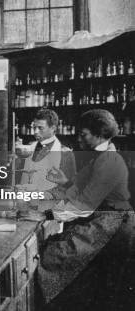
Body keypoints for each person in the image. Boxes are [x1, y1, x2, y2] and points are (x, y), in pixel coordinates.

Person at [23, 109, 134, 309]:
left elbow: (83, 206)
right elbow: (80, 186)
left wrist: (44, 213)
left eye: (84, 135)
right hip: (103, 221)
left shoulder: (109, 161)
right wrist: (64, 182)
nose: (79, 139)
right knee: (52, 248)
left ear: (99, 134)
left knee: (52, 255)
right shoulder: (101, 156)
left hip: (114, 225)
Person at [19, 109, 76, 194]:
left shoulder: (65, 153)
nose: (35, 132)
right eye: (34, 127)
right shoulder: (29, 148)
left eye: (40, 128)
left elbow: (69, 189)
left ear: (53, 128)